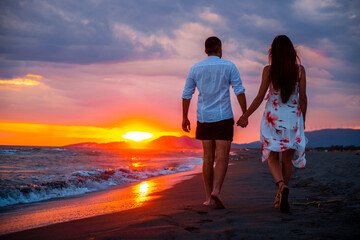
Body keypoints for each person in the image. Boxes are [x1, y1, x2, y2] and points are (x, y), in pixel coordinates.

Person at [238, 35, 307, 212]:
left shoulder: (268, 70)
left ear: (273, 53)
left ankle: (281, 187)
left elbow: (260, 97)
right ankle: (280, 192)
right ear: (292, 52)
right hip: (293, 118)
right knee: (287, 159)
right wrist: (302, 123)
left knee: (272, 156)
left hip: (273, 118)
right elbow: (303, 99)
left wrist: (245, 115)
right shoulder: (299, 71)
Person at [182, 36, 247, 209]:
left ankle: (208, 198)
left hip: (204, 118)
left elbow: (186, 94)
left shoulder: (195, 68)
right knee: (222, 157)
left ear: (205, 50)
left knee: (208, 158)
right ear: (220, 49)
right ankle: (216, 191)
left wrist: (184, 117)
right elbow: (239, 90)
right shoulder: (229, 66)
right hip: (223, 116)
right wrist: (245, 114)